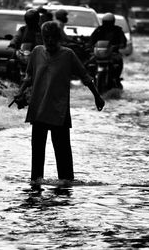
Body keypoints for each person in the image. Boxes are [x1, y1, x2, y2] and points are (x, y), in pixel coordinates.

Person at [13, 21, 105, 186]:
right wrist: (20, 92)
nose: (48, 41)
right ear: (42, 38)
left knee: (63, 159)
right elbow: (29, 77)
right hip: (38, 110)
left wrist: (97, 96)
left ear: (57, 38)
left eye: (52, 37)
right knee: (37, 157)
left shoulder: (67, 55)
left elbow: (85, 77)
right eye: (45, 37)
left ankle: (66, 186)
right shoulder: (36, 52)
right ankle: (36, 185)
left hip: (59, 111)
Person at [89, 12, 127, 88]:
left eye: (108, 23)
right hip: (99, 53)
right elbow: (92, 39)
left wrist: (120, 45)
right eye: (106, 22)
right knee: (90, 62)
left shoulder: (118, 30)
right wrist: (90, 46)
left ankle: (116, 78)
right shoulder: (99, 30)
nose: (107, 25)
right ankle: (91, 77)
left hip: (113, 53)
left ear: (112, 22)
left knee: (119, 60)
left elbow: (123, 40)